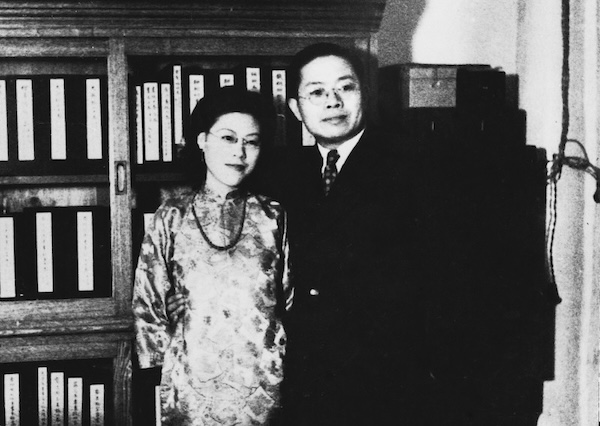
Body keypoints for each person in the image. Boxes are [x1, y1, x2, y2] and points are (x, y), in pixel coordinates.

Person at [167, 43, 434, 425]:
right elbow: (230, 230)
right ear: (296, 108)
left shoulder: (414, 166)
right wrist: (190, 291)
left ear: (365, 94)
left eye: (345, 87)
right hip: (304, 382)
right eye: (317, 92)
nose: (333, 102)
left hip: (385, 385)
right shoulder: (281, 173)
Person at [132, 86, 293, 426]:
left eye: (251, 141)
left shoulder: (274, 216)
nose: (240, 152)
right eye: (228, 138)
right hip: (192, 383)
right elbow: (147, 305)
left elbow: (291, 302)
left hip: (261, 385)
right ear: (202, 140)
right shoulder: (171, 216)